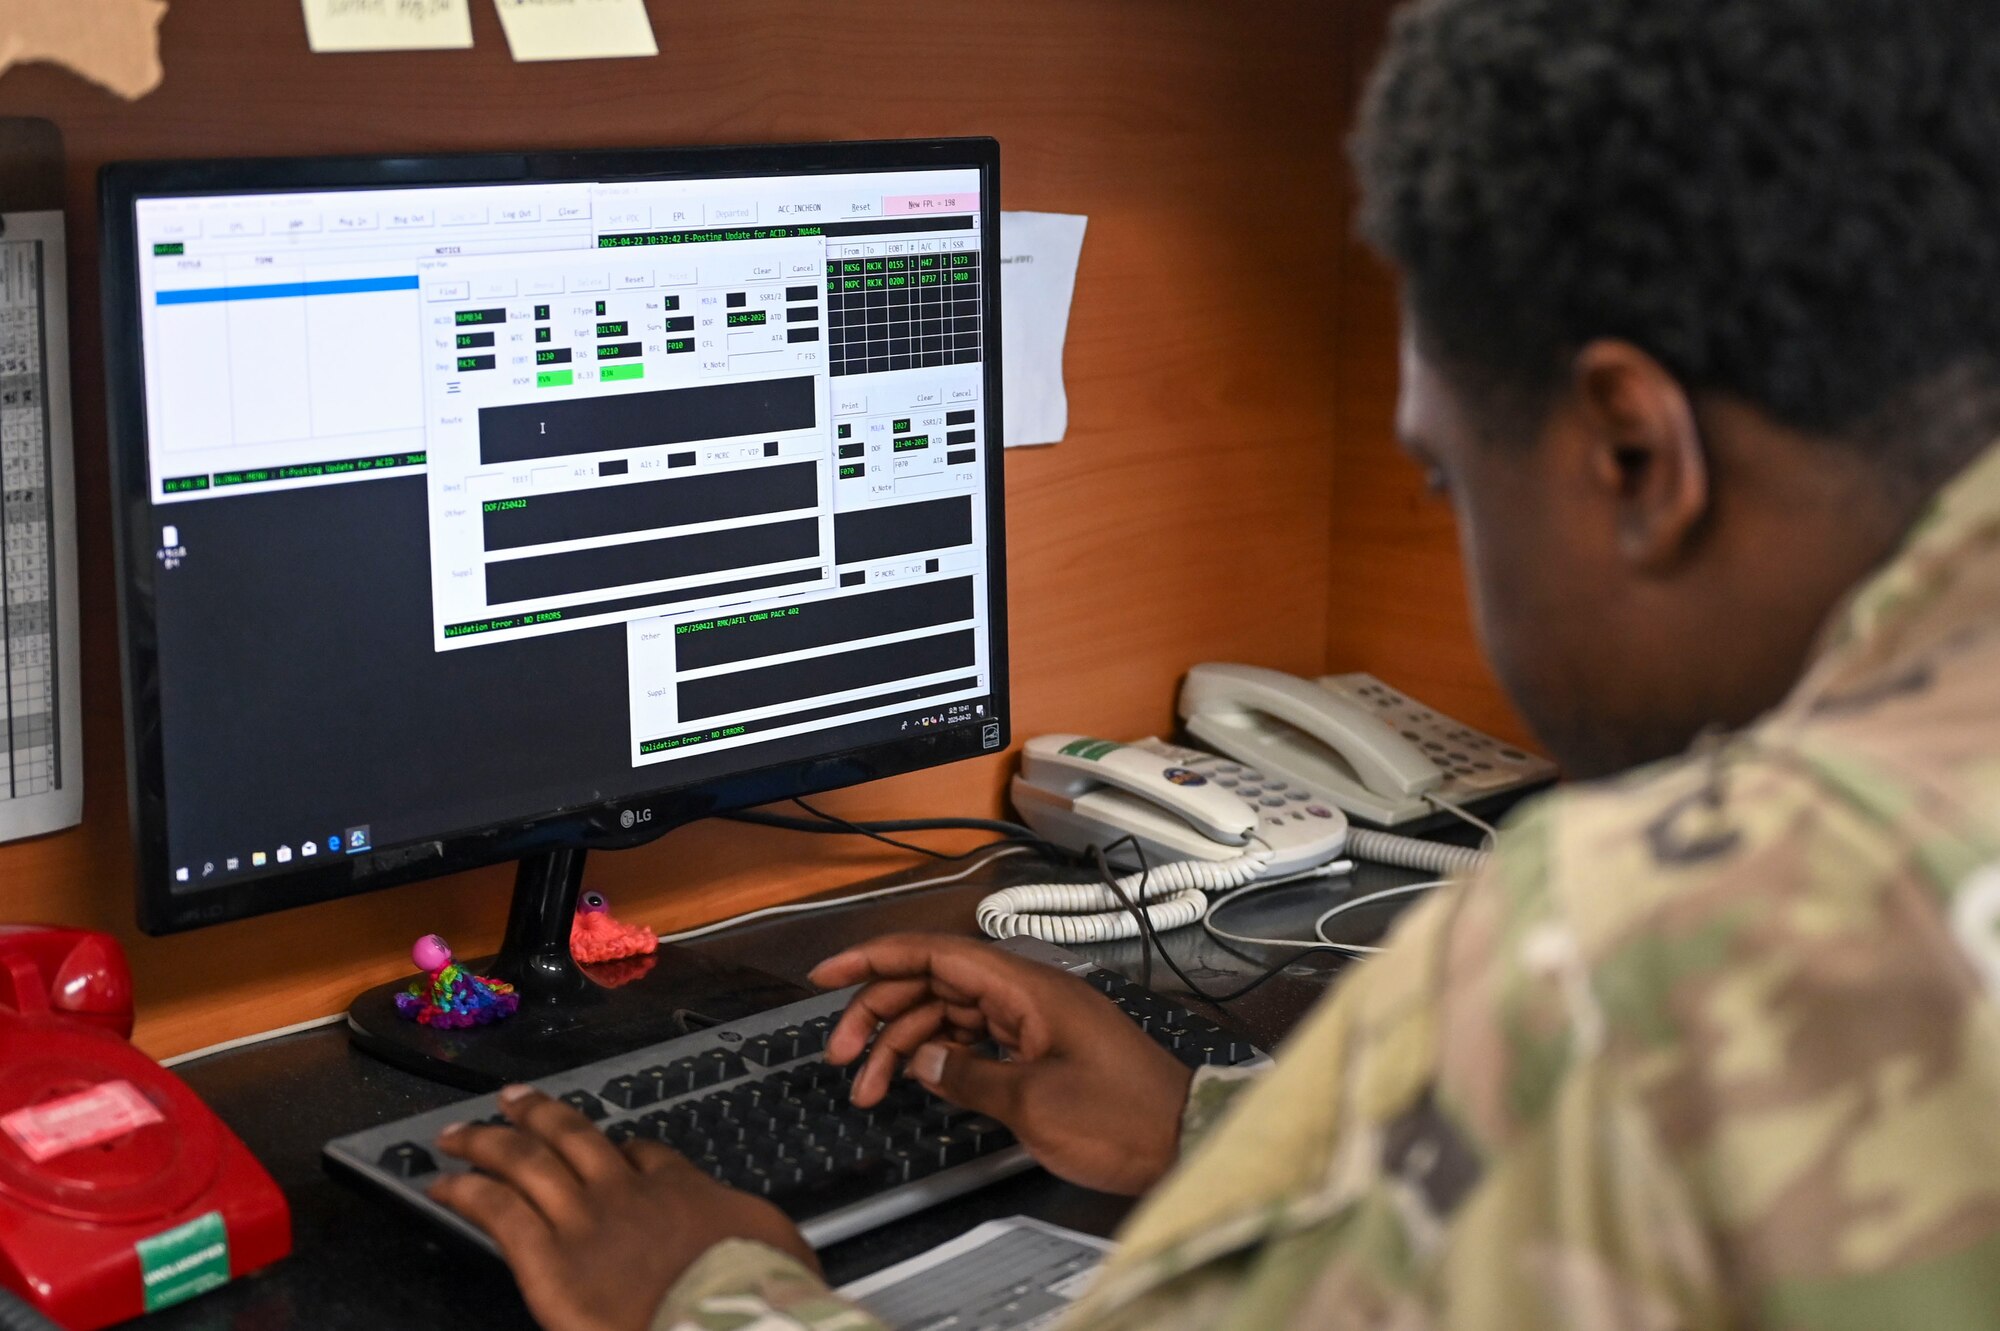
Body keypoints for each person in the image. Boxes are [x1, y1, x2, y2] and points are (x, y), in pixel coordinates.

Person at [424, 0, 2000, 1325]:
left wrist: (715, 1294)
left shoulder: (1664, 942)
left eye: (1449, 481)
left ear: (1633, 457)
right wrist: (1207, 1124)